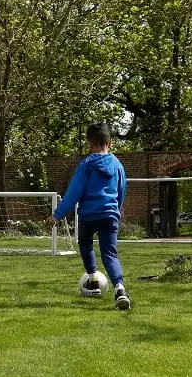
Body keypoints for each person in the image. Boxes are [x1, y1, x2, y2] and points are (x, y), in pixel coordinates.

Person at [46, 122, 131, 310]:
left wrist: (57, 215)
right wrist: (117, 209)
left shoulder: (86, 165)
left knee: (85, 243)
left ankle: (93, 279)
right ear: (110, 142)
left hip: (88, 215)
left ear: (90, 145)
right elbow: (122, 189)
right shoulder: (117, 165)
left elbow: (74, 192)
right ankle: (120, 289)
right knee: (109, 253)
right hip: (109, 215)